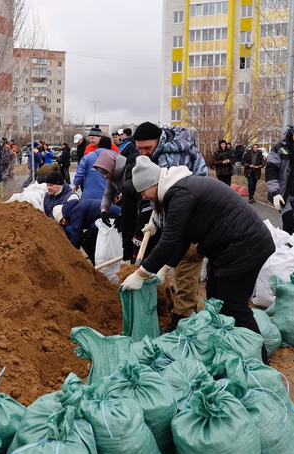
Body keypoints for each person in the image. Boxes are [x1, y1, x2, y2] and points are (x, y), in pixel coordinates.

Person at [120, 156, 275, 363]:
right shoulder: (178, 191)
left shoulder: (180, 193)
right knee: (214, 300)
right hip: (229, 249)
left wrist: (141, 273)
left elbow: (169, 241)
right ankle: (228, 347)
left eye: (144, 191)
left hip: (245, 247)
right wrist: (164, 269)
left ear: (154, 184)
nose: (143, 196)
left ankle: (259, 358)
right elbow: (183, 239)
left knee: (232, 305)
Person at [133, 121, 209, 332]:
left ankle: (183, 321)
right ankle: (187, 315)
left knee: (185, 264)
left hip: (193, 216)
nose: (143, 153)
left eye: (147, 148)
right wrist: (157, 223)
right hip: (183, 214)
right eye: (139, 149)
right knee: (183, 266)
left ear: (159, 140)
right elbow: (160, 198)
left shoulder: (173, 158)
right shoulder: (158, 155)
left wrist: (143, 272)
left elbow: (172, 197)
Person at [53, 198, 121, 264]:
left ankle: (98, 263)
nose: (63, 223)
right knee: (91, 237)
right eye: (61, 222)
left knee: (85, 239)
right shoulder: (74, 208)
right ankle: (101, 259)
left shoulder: (74, 212)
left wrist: (71, 253)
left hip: (113, 218)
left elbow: (76, 235)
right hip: (110, 217)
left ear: (63, 214)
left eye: (62, 220)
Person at [96, 150, 128, 226]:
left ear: (111, 167)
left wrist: (122, 214)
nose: (105, 176)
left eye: (106, 173)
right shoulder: (111, 177)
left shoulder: (126, 173)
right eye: (102, 174)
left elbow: (131, 199)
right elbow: (108, 194)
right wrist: (103, 210)